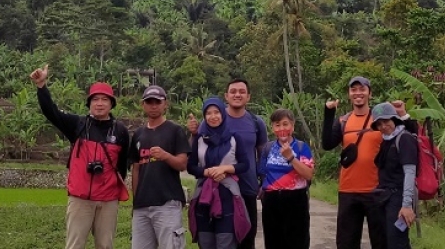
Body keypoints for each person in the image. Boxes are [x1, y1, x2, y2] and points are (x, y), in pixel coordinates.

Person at [30, 65, 130, 249]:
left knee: (105, 245)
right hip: (80, 199)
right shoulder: (77, 124)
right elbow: (51, 112)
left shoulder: (121, 131)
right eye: (95, 99)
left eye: (104, 99)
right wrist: (41, 86)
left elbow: (123, 165)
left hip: (108, 200)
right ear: (89, 103)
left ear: (111, 104)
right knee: (75, 245)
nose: (99, 103)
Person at [322, 76, 414, 249]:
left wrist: (403, 114)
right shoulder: (344, 121)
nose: (358, 93)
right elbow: (327, 144)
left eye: (362, 89)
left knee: (381, 243)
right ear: (349, 94)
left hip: (377, 192)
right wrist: (329, 113)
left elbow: (409, 138)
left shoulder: (381, 119)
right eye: (354, 90)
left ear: (369, 93)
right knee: (346, 243)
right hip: (348, 190)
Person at [187, 79, 268, 249]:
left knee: (247, 237)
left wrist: (264, 181)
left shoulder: (256, 122)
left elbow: (262, 153)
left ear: (248, 97)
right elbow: (197, 151)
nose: (237, 95)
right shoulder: (211, 119)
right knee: (219, 238)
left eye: (242, 91)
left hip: (247, 188)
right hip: (217, 190)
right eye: (233, 91)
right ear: (226, 96)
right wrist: (193, 134)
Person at [129, 85, 192, 249]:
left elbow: (182, 164)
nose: (153, 105)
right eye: (149, 102)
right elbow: (136, 169)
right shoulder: (138, 134)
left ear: (166, 104)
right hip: (142, 207)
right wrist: (136, 201)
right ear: (143, 105)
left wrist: (166, 156)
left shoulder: (175, 130)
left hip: (167, 204)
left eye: (157, 101)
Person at [257, 108, 314, 249]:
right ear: (272, 128)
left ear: (292, 126)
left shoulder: (301, 147)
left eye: (285, 124)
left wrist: (290, 157)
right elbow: (262, 173)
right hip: (272, 202)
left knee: (297, 242)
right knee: (273, 242)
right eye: (277, 125)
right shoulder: (268, 148)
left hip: (296, 201)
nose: (281, 128)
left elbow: (308, 174)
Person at [371, 102, 417, 249]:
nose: (383, 126)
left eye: (386, 121)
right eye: (379, 124)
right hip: (385, 199)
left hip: (399, 200)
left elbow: (410, 173)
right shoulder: (387, 141)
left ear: (394, 119)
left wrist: (406, 206)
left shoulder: (404, 139)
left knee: (397, 243)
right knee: (387, 243)